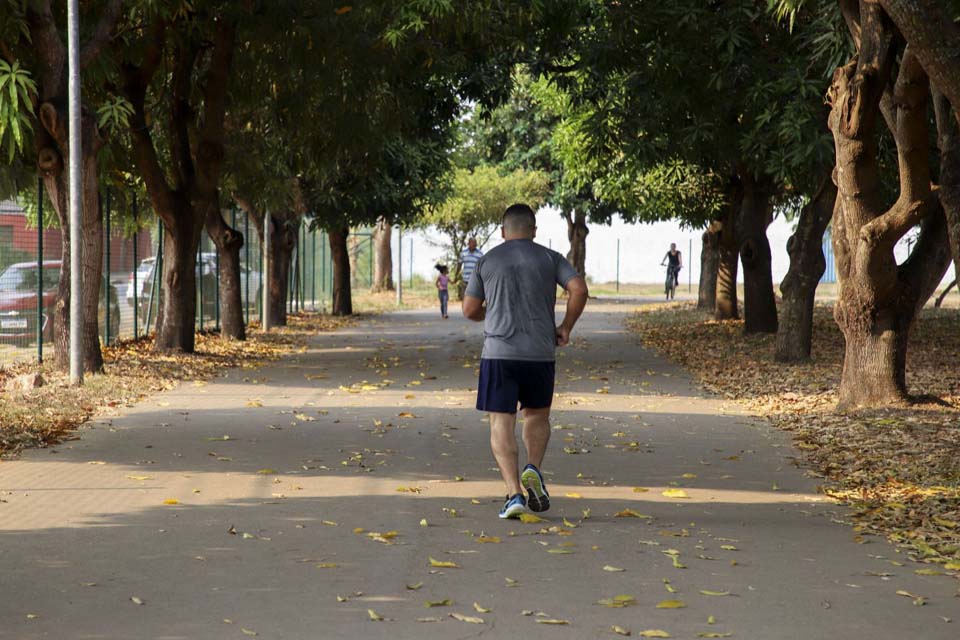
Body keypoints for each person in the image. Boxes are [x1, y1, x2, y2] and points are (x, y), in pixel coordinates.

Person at [463, 203, 589, 519]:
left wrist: (487, 313)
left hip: (499, 354)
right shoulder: (550, 258)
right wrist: (566, 327)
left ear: (503, 231)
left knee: (501, 421)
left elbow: (469, 309)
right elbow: (578, 288)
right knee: (537, 416)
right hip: (540, 353)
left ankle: (513, 493)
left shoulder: (488, 260)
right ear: (533, 231)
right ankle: (533, 467)